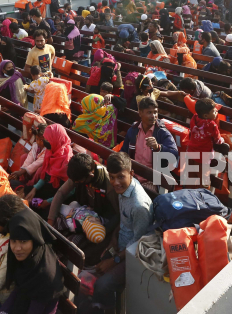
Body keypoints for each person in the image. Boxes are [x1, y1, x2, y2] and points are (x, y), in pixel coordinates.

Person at [85, 152, 153, 314]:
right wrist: (113, 237)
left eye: (120, 177)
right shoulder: (124, 190)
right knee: (92, 263)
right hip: (120, 246)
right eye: (112, 177)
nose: (116, 183)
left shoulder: (139, 206)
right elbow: (124, 220)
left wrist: (114, 260)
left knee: (102, 285)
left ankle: (109, 309)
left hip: (132, 256)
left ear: (131, 174)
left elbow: (138, 244)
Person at [0, 209, 65, 314]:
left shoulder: (45, 275)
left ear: (35, 240)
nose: (17, 248)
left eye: (23, 241)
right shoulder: (28, 259)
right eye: (13, 241)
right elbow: (18, 290)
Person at [119, 96, 179, 176]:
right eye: (149, 112)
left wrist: (158, 148)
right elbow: (124, 152)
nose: (153, 116)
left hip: (153, 179)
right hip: (133, 176)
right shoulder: (133, 130)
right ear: (140, 113)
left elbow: (174, 155)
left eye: (155, 112)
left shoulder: (162, 132)